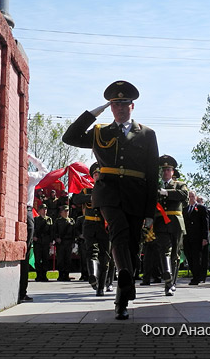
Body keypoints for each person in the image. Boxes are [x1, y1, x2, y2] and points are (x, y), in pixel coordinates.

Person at [62, 80, 158, 320]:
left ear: (132, 106)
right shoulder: (100, 132)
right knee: (119, 232)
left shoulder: (147, 134)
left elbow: (153, 175)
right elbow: (70, 137)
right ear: (111, 107)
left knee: (133, 246)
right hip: (108, 195)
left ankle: (122, 291)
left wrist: (149, 212)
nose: (120, 108)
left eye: (124, 104)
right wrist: (96, 111)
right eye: (115, 104)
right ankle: (123, 289)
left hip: (136, 195)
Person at [73, 162, 111, 295]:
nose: (97, 176)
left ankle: (101, 286)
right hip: (89, 225)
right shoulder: (87, 190)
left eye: (99, 174)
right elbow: (75, 199)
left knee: (105, 256)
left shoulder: (110, 190)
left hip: (104, 226)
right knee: (91, 251)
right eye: (95, 174)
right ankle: (93, 276)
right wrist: (91, 197)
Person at [153, 155, 188, 296]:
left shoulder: (179, 184)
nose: (166, 172)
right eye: (164, 169)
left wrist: (166, 192)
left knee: (175, 254)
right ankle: (167, 277)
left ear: (173, 172)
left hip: (175, 222)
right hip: (160, 222)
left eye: (168, 169)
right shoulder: (156, 186)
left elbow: (184, 195)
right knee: (164, 250)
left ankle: (172, 283)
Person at [19, 153, 49, 303]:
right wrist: (31, 157)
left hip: (13, 210)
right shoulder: (30, 176)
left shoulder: (15, 175)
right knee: (26, 250)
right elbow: (44, 170)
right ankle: (21, 291)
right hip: (27, 212)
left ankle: (19, 291)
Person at [183, 191, 209, 285]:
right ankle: (195, 275)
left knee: (196, 258)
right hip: (187, 237)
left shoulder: (201, 208)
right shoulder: (185, 209)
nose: (191, 198)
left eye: (192, 196)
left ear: (196, 197)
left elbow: (205, 223)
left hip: (198, 238)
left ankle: (197, 277)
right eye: (189, 196)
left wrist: (205, 238)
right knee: (189, 257)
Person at [33, 204, 53, 282]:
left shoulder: (49, 219)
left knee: (45, 259)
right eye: (43, 209)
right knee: (37, 259)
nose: (45, 211)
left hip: (46, 242)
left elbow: (51, 231)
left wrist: (51, 241)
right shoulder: (36, 219)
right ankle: (38, 275)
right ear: (39, 210)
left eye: (45, 209)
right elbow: (33, 229)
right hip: (37, 242)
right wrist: (33, 237)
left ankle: (44, 275)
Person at [54, 205, 75, 281]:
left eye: (68, 211)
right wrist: (56, 238)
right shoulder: (58, 221)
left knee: (68, 259)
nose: (67, 212)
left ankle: (66, 274)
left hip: (68, 242)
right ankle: (60, 275)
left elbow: (73, 233)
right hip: (61, 242)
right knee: (60, 259)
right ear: (61, 212)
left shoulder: (72, 221)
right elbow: (54, 231)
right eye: (65, 211)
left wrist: (73, 241)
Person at [196, 195, 210, 281]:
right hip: (196, 237)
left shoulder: (206, 209)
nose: (200, 201)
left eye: (201, 200)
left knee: (204, 257)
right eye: (198, 200)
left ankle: (202, 276)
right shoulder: (193, 209)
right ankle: (198, 275)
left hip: (205, 236)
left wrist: (205, 237)